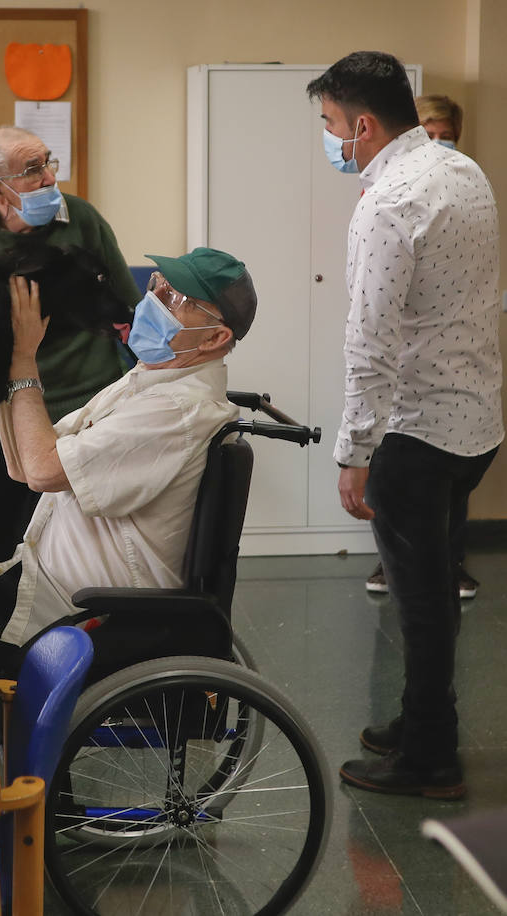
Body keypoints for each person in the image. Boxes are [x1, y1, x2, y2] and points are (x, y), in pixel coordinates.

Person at [308, 51, 501, 799]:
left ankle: (431, 760)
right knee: (433, 588)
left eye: (329, 124)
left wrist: (354, 451)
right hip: (477, 424)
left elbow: (371, 340)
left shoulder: (390, 203)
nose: (327, 138)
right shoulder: (462, 170)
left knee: (419, 600)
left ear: (362, 124)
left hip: (415, 435)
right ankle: (418, 720)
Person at [0, 247, 257, 679]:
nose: (153, 300)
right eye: (158, 286)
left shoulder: (175, 409)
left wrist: (22, 358)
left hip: (84, 614)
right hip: (45, 585)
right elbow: (24, 465)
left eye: (175, 300)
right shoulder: (146, 379)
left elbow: (40, 469)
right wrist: (2, 358)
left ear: (214, 338)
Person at [0, 126, 140, 563]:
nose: (49, 178)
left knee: (76, 551)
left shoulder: (83, 220)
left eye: (48, 163)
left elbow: (127, 311)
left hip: (84, 409)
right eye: (32, 169)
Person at [365, 91, 478, 599]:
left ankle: (451, 565)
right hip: (404, 371)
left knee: (453, 476)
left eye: (446, 136)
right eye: (429, 135)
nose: (438, 146)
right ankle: (390, 564)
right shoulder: (390, 197)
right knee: (403, 478)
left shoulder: (473, 190)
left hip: (460, 372)